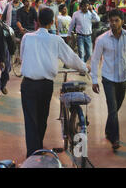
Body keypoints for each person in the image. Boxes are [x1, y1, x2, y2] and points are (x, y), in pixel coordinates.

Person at [20, 8, 88, 157]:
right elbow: (71, 58)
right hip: (45, 85)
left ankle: (33, 153)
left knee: (31, 120)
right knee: (42, 118)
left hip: (28, 84)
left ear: (37, 21)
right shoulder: (56, 40)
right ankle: (37, 150)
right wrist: (84, 67)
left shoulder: (27, 38)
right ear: (52, 22)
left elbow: (22, 57)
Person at [90, 9, 126, 151]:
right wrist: (94, 79)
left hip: (123, 79)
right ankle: (115, 139)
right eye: (111, 21)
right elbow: (95, 60)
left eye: (116, 20)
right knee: (112, 109)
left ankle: (108, 130)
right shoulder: (102, 39)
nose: (113, 23)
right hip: (108, 79)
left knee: (115, 109)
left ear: (122, 21)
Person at [68, 0, 100, 64]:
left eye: (87, 6)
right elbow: (72, 24)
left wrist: (92, 11)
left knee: (89, 54)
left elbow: (97, 19)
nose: (86, 7)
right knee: (81, 53)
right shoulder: (76, 14)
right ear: (81, 6)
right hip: (80, 36)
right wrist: (69, 34)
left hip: (88, 36)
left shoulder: (91, 13)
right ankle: (82, 69)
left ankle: (82, 64)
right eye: (84, 6)